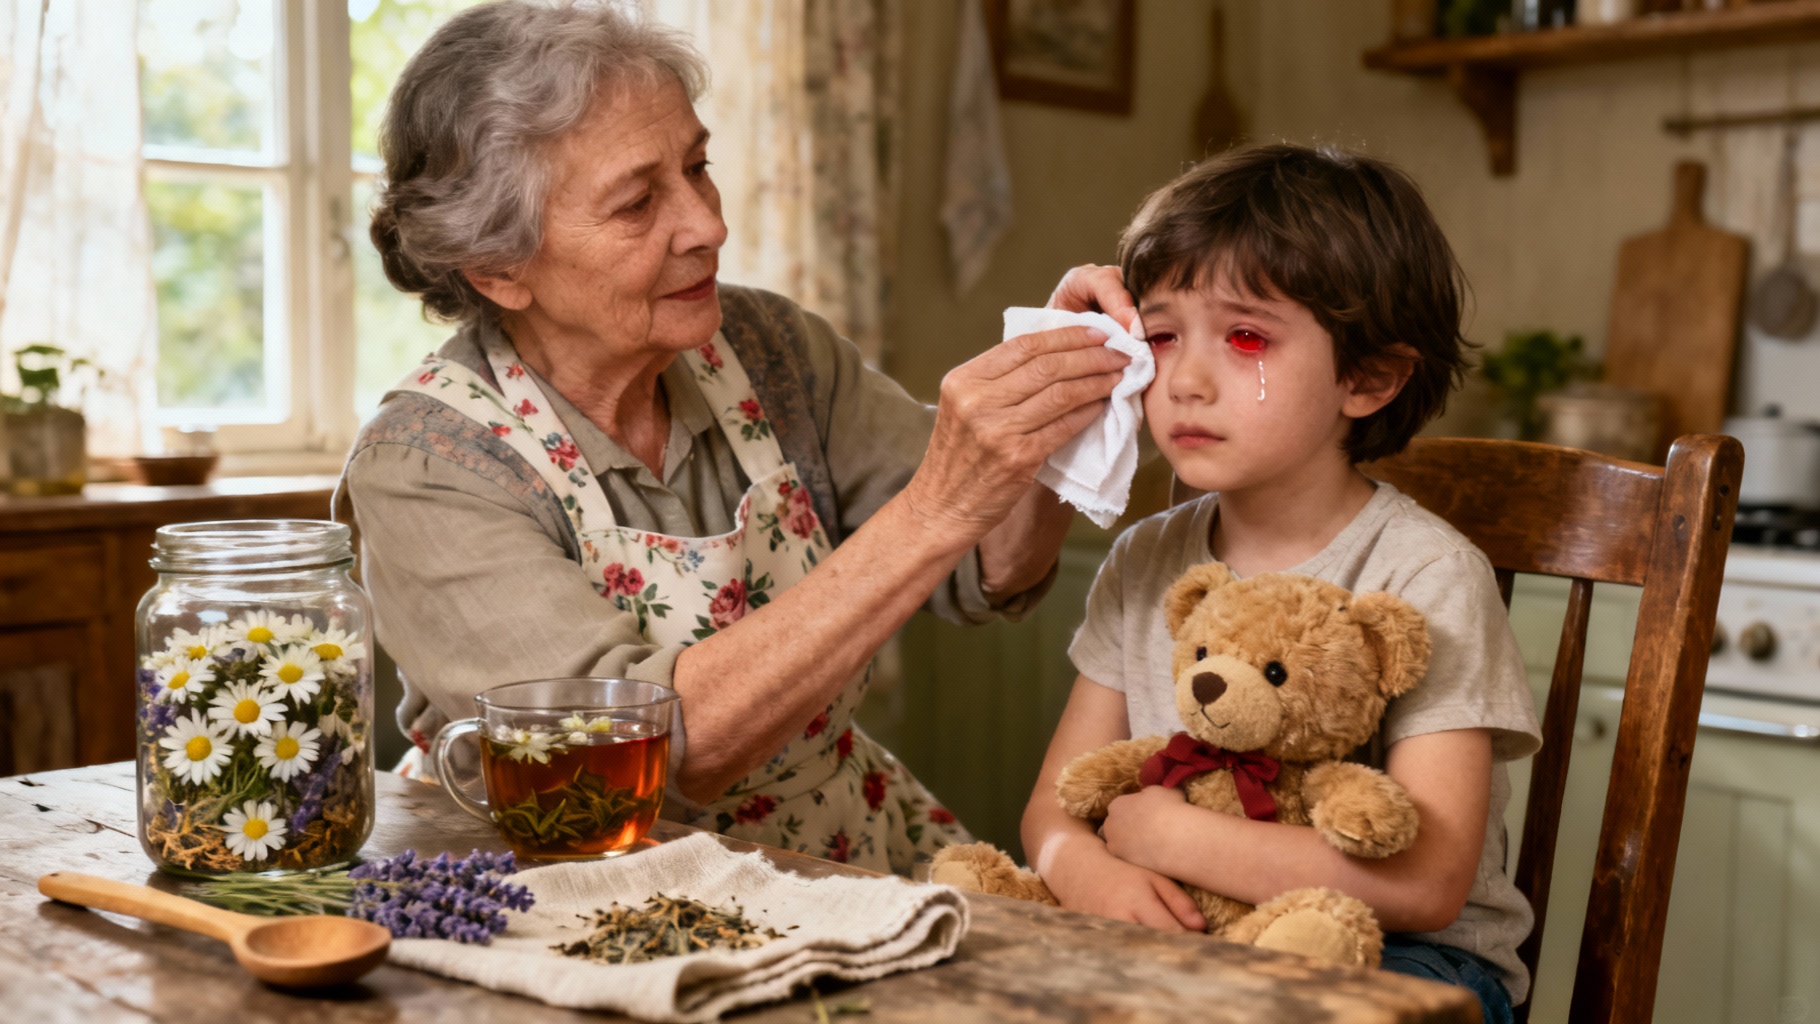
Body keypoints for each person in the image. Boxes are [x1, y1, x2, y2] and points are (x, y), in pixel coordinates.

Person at [340, 0, 1137, 877]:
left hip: (834, 844)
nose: (707, 226)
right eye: (638, 202)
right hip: (581, 879)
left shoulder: (772, 348)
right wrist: (937, 506)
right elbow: (661, 750)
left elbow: (989, 563)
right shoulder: (426, 467)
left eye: (698, 167)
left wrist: (1056, 409)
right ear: (499, 268)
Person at [1018, 145, 1541, 1023]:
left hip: (1411, 964)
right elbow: (1053, 807)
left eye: (1246, 337)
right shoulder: (1146, 559)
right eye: (1162, 336)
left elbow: (1428, 884)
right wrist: (1086, 870)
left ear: (1368, 377)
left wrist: (1173, 836)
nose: (1185, 381)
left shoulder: (1429, 572)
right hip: (1195, 942)